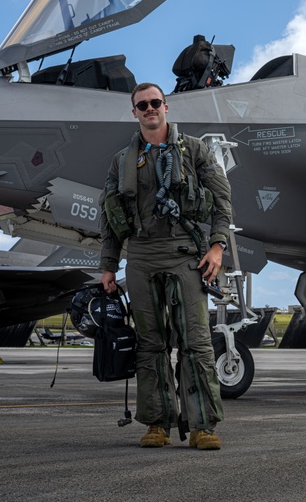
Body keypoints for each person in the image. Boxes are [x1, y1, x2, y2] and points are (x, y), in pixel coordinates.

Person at [99, 82, 232, 450]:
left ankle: (202, 426)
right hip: (140, 256)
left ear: (166, 107)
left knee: (196, 341)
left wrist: (217, 248)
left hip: (185, 253)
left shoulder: (194, 150)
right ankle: (157, 424)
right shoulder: (121, 160)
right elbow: (109, 218)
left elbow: (222, 200)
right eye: (142, 105)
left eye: (155, 102)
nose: (149, 109)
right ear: (135, 112)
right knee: (150, 344)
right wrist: (109, 267)